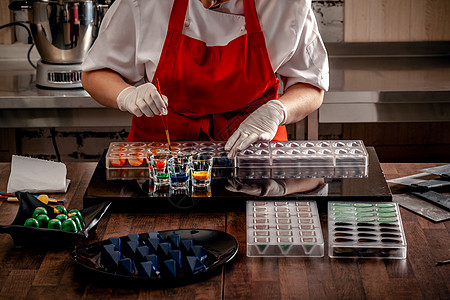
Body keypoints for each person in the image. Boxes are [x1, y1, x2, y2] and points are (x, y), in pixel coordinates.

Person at [81, 0, 329, 158]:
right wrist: (126, 95)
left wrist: (277, 111)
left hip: (254, 153)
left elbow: (310, 84)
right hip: (160, 154)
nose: (209, 2)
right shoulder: (145, 4)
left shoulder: (285, 5)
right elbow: (95, 73)